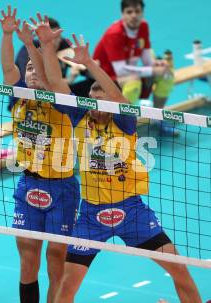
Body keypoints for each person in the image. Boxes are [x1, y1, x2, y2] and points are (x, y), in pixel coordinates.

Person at [45, 33, 201, 303]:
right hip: (91, 216)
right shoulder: (80, 117)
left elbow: (118, 97)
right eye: (91, 102)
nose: (95, 108)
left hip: (132, 212)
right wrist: (46, 45)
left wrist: (91, 64)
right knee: (67, 287)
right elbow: (57, 85)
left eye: (100, 101)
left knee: (180, 272)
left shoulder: (124, 123)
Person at [0, 6, 81, 303]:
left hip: (61, 187)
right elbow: (10, 69)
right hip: (28, 185)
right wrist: (9, 36)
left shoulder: (62, 101)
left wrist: (38, 47)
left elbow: (51, 80)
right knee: (28, 259)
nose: (32, 73)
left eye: (37, 69)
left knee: (56, 260)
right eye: (29, 69)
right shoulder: (20, 96)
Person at [93, 0, 176, 135]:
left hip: (129, 72)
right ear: (122, 14)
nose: (134, 15)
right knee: (133, 82)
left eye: (137, 11)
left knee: (167, 75)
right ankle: (123, 124)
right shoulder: (114, 34)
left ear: (142, 13)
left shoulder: (143, 26)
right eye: (129, 12)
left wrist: (158, 65)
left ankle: (157, 116)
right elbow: (120, 70)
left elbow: (146, 56)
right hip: (106, 77)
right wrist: (153, 70)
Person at [13, 16, 93, 101]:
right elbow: (28, 81)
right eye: (51, 37)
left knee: (93, 84)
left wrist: (90, 65)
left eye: (57, 36)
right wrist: (69, 80)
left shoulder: (64, 46)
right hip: (28, 93)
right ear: (41, 37)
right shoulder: (29, 49)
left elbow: (88, 73)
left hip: (58, 93)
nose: (55, 41)